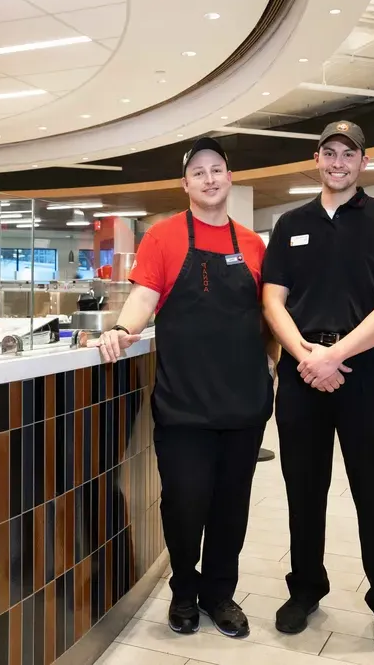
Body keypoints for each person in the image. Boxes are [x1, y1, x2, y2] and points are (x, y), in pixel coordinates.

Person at [93, 137, 273, 639]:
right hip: (184, 402)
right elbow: (144, 297)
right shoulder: (164, 237)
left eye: (218, 169)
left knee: (231, 505)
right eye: (199, 172)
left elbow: (268, 313)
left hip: (243, 401)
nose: (210, 178)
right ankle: (184, 593)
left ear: (229, 177)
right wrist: (121, 330)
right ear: (186, 184)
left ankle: (220, 594)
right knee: (185, 501)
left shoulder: (253, 244)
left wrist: (281, 361)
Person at [261, 120, 374, 656]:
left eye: (348, 154)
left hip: (366, 372)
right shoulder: (290, 223)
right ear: (317, 159)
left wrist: (336, 354)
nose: (338, 162)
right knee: (302, 489)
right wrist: (306, 355)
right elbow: (272, 301)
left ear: (363, 161)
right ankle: (306, 588)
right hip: (302, 370)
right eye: (329, 153)